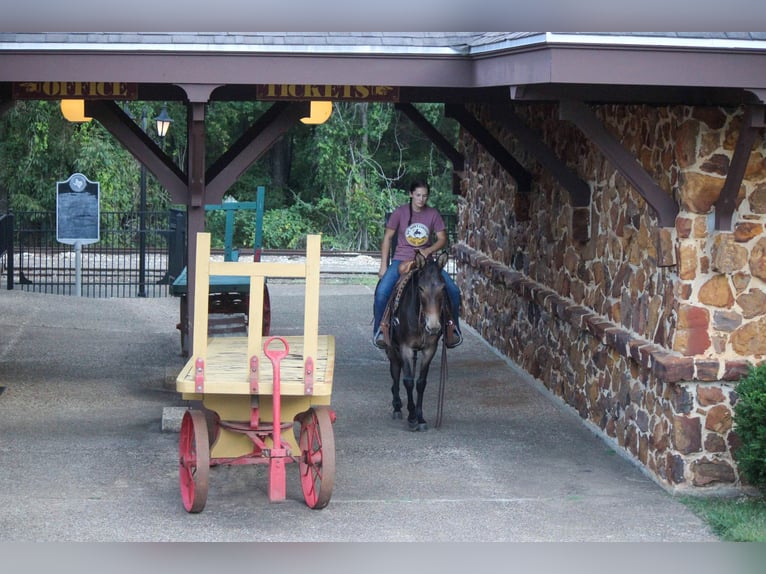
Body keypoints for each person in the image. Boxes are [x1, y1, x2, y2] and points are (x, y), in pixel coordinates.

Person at [372, 180, 462, 349]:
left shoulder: (433, 214)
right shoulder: (400, 213)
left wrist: (428, 251)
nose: (421, 199)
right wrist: (383, 265)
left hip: (427, 263)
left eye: (425, 196)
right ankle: (380, 330)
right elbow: (387, 238)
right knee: (382, 292)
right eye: (418, 195)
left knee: (453, 291)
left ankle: (452, 328)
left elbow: (443, 239)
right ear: (411, 194)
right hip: (401, 259)